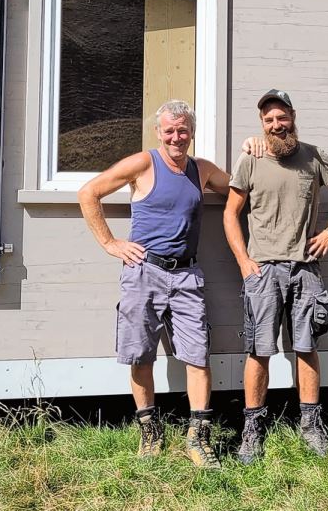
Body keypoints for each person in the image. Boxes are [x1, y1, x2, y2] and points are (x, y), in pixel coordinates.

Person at [78, 99, 240, 468]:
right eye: (169, 130)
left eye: (183, 130)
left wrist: (253, 149)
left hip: (186, 275)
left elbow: (240, 191)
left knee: (198, 355)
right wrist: (110, 242)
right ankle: (150, 434)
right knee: (140, 354)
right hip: (143, 273)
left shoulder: (202, 170)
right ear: (159, 132)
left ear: (192, 133)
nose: (176, 137)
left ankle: (198, 439)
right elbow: (89, 193)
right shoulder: (143, 163)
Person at [223, 89, 328, 462]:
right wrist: (243, 261)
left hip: (305, 269)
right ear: (262, 125)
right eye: (268, 120)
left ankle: (311, 426)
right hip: (263, 271)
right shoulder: (250, 159)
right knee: (259, 351)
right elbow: (230, 214)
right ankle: (252, 431)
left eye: (281, 117)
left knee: (306, 347)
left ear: (293, 117)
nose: (276, 125)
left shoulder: (314, 157)